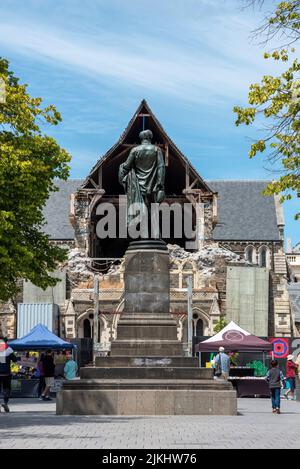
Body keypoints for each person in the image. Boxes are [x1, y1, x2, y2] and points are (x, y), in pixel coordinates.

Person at [0, 338, 18, 412]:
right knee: (6, 388)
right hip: (6, 373)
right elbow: (15, 360)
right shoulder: (9, 350)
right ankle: (5, 402)